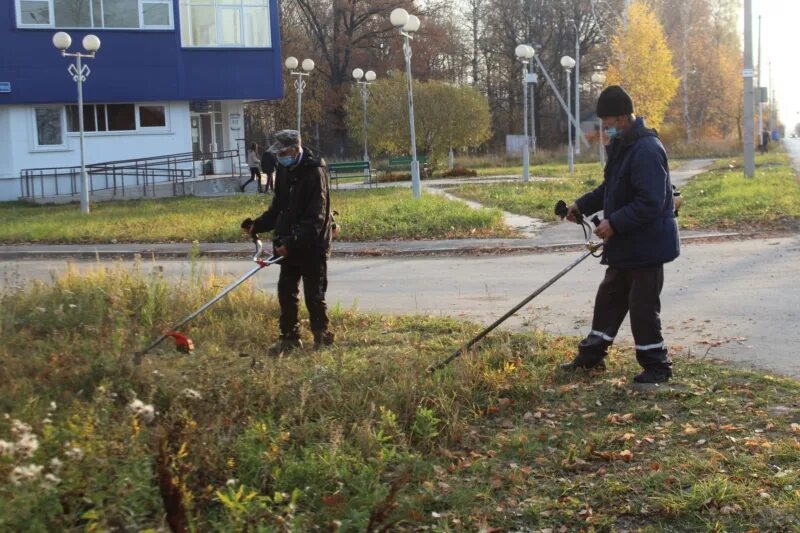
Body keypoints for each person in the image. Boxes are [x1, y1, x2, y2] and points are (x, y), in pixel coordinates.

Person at [560, 85, 679, 384]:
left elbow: (650, 202)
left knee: (642, 308)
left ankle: (657, 367)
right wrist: (580, 206)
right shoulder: (622, 148)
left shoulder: (646, 149)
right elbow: (609, 190)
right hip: (627, 245)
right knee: (609, 299)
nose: (604, 129)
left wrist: (614, 224)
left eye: (607, 123)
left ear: (624, 118)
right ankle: (591, 357)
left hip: (647, 246)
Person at [241, 129, 336, 355]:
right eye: (278, 153)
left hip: (312, 244)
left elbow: (316, 218)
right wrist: (258, 225)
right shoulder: (284, 170)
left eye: (283, 152)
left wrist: (292, 243)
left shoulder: (315, 172)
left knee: (314, 295)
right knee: (286, 292)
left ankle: (322, 339)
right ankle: (289, 339)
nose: (279, 156)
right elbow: (278, 208)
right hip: (289, 242)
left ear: (295, 149)